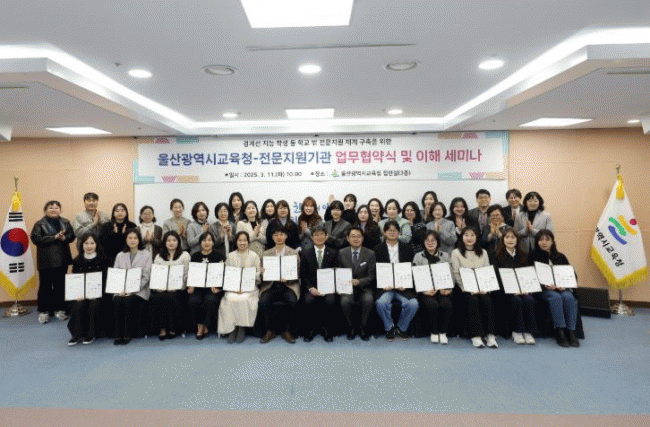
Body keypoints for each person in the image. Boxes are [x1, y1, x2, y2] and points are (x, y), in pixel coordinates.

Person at [529, 229, 580, 348]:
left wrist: (564, 285)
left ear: (552, 242)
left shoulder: (560, 256)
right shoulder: (532, 256)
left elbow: (572, 274)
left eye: (547, 240)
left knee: (568, 297)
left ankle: (571, 331)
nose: (544, 242)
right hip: (543, 289)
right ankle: (560, 331)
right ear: (537, 242)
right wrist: (545, 285)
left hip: (562, 288)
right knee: (556, 297)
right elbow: (530, 276)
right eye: (541, 240)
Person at [451, 226, 498, 348]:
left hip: (482, 287)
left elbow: (486, 272)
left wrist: (485, 288)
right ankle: (475, 335)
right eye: (466, 235)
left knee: (487, 300)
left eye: (472, 235)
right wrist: (467, 289)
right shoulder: (456, 253)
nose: (469, 238)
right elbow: (456, 274)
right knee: (472, 300)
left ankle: (490, 335)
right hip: (464, 289)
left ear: (477, 237)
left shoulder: (484, 252)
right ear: (462, 237)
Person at [31, 200, 76, 324]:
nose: (54, 209)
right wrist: (54, 237)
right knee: (45, 286)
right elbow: (36, 239)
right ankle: (44, 311)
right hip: (45, 261)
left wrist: (64, 238)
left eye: (56, 207)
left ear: (60, 210)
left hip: (62, 260)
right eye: (51, 207)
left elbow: (72, 237)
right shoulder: (39, 224)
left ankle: (60, 309)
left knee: (60, 286)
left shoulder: (65, 222)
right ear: (45, 210)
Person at [374, 220, 418, 341]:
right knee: (381, 303)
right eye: (389, 230)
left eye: (395, 230)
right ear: (384, 232)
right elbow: (375, 271)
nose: (392, 233)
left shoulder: (407, 248)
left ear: (399, 232)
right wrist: (383, 284)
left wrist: (406, 284)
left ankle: (401, 328)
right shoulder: (377, 249)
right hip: (385, 287)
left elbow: (411, 269)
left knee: (413, 304)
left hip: (403, 287)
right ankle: (389, 327)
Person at [492, 227, 537, 345]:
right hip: (505, 292)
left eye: (513, 237)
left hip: (523, 289)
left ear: (517, 240)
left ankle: (528, 332)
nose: (510, 240)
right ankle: (517, 331)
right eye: (507, 237)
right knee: (516, 300)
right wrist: (512, 290)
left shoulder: (524, 256)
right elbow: (496, 277)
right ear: (503, 240)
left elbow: (528, 275)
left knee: (529, 300)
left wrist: (526, 289)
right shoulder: (497, 256)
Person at [259, 226, 300, 344]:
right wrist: (262, 272)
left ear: (286, 236)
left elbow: (298, 272)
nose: (279, 237)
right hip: (271, 285)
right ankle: (270, 330)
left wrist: (289, 279)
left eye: (281, 234)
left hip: (288, 285)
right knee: (263, 301)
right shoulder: (266, 254)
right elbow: (262, 275)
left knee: (292, 301)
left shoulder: (293, 253)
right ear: (272, 237)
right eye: (276, 235)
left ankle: (286, 330)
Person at [219, 231, 262, 344]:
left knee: (244, 299)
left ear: (248, 242)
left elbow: (258, 275)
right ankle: (232, 328)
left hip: (249, 288)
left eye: (245, 240)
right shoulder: (230, 256)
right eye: (240, 240)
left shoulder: (254, 256)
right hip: (233, 287)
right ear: (236, 242)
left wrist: (259, 273)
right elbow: (227, 274)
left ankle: (242, 327)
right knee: (229, 299)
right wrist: (234, 287)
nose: (242, 243)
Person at [67, 233, 108, 346]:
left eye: (92, 243)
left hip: (99, 294)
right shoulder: (77, 260)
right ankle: (76, 335)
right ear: (82, 245)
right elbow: (75, 280)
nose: (89, 246)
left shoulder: (103, 259)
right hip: (81, 294)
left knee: (93, 305)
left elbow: (105, 280)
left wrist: (97, 293)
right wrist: (77, 293)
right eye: (86, 243)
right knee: (78, 305)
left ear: (96, 244)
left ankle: (91, 334)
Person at [300, 225, 339, 342]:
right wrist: (311, 288)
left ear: (326, 236)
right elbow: (303, 275)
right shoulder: (306, 253)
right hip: (312, 287)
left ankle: (326, 329)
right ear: (312, 237)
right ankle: (311, 329)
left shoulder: (333, 253)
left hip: (328, 288)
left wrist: (327, 288)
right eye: (316, 235)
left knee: (330, 301)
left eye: (322, 234)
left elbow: (336, 272)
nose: (319, 237)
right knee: (309, 300)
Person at [112, 228, 151, 345]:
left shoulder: (146, 254)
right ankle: (118, 334)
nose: (132, 240)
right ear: (126, 239)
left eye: (135, 238)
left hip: (139, 290)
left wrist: (132, 290)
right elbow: (116, 275)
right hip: (121, 289)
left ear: (139, 240)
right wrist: (120, 290)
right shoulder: (120, 255)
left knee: (128, 300)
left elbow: (146, 276)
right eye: (130, 238)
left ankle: (127, 333)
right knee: (118, 299)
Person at [413, 230, 453, 345]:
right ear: (423, 243)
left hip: (442, 289)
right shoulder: (418, 256)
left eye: (433, 241)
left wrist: (448, 289)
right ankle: (434, 332)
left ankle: (443, 332)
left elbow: (451, 274)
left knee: (446, 304)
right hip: (426, 291)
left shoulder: (445, 256)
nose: (430, 243)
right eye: (427, 241)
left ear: (438, 242)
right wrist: (424, 291)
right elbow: (415, 277)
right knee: (432, 304)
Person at [151, 230, 191, 340]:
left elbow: (186, 275)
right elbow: (156, 275)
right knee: (158, 297)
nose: (171, 243)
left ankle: (173, 328)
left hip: (178, 289)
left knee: (172, 297)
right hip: (161, 288)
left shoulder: (185, 255)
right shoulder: (158, 256)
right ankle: (163, 328)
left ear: (178, 242)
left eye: (174, 240)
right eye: (168, 240)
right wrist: (161, 288)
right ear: (164, 242)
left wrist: (178, 287)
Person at [338, 227, 376, 341]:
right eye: (353, 236)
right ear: (348, 238)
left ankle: (363, 327)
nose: (356, 239)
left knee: (368, 300)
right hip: (347, 287)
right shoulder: (342, 252)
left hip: (364, 287)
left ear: (362, 238)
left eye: (358, 236)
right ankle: (351, 327)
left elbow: (372, 276)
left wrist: (359, 282)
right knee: (345, 301)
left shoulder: (370, 253)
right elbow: (338, 272)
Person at [189, 232, 225, 340]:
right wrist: (191, 286)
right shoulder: (195, 256)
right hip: (198, 288)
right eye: (204, 240)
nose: (207, 243)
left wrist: (219, 288)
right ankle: (199, 326)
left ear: (213, 242)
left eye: (209, 240)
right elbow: (192, 274)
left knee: (210, 299)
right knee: (193, 301)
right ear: (200, 243)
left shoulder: (219, 255)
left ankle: (205, 325)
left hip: (213, 288)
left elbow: (223, 274)